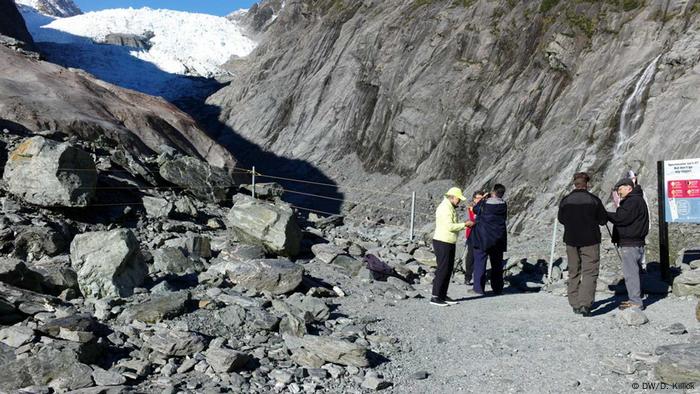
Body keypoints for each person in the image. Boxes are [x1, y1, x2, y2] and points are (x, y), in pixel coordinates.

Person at [557, 172, 607, 317]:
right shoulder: (594, 200)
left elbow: (561, 219)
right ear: (587, 184)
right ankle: (585, 304)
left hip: (571, 240)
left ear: (574, 184)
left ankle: (575, 303)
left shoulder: (565, 200)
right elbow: (603, 220)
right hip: (590, 240)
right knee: (589, 272)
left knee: (574, 271)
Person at [607, 178, 649, 310]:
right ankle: (635, 298)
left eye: (620, 189)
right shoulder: (637, 199)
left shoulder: (632, 201)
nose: (618, 192)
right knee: (634, 271)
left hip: (630, 243)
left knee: (631, 273)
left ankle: (635, 301)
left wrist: (604, 214)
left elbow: (621, 218)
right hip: (636, 242)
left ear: (629, 188)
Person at [431, 187, 470, 307]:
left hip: (448, 241)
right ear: (452, 197)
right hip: (442, 241)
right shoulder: (445, 208)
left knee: (448, 269)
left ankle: (442, 295)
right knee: (443, 269)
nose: (459, 201)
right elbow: (449, 226)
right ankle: (435, 296)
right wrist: (464, 225)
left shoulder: (449, 207)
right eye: (458, 198)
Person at [469, 184, 507, 295]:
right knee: (497, 264)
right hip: (498, 238)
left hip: (483, 237)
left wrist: (483, 198)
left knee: (480, 263)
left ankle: (478, 288)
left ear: (493, 192)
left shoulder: (485, 203)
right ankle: (497, 288)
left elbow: (475, 210)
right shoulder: (504, 204)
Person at [462, 190, 486, 285]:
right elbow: (473, 219)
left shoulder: (484, 207)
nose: (479, 200)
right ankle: (468, 277)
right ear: (474, 199)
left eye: (481, 198)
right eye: (478, 198)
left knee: (481, 256)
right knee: (470, 256)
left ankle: (479, 277)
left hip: (482, 235)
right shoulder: (472, 208)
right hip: (472, 234)